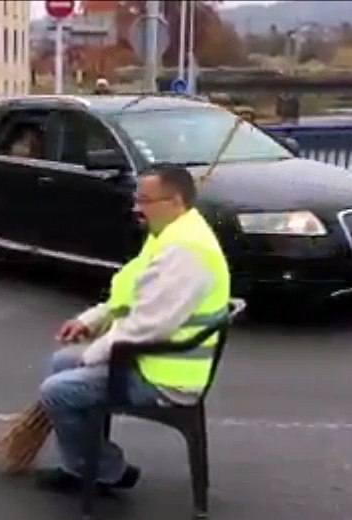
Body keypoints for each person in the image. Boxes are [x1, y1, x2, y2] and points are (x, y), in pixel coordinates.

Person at [37, 164, 232, 491]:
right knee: (59, 362)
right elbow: (133, 292)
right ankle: (84, 464)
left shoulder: (186, 251)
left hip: (166, 378)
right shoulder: (171, 234)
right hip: (149, 359)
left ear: (175, 201)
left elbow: (148, 325)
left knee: (56, 392)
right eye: (136, 199)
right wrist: (92, 320)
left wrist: (94, 354)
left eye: (145, 200)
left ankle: (101, 469)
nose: (137, 208)